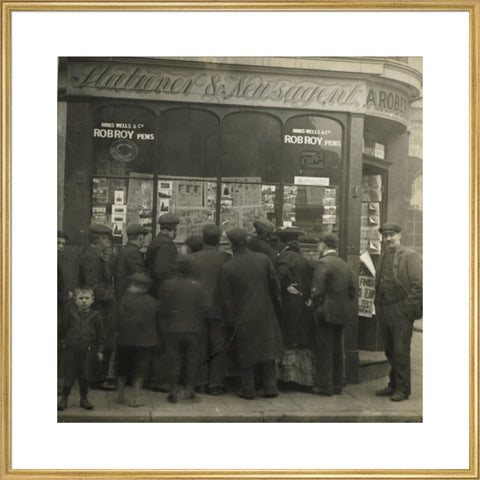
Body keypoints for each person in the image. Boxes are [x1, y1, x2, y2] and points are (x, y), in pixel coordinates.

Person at [220, 228, 283, 400]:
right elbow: (275, 286)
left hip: (243, 315)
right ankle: (270, 387)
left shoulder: (228, 267)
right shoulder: (263, 259)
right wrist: (276, 307)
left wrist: (230, 321)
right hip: (265, 311)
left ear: (232, 245)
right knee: (268, 350)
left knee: (246, 351)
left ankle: (248, 389)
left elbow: (227, 300)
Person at [374, 222, 422, 402]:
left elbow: (419, 285)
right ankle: (393, 385)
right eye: (385, 236)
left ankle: (403, 389)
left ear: (399, 236)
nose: (388, 239)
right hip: (384, 310)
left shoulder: (410, 255)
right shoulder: (382, 256)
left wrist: (406, 309)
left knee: (401, 352)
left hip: (400, 311)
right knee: (390, 350)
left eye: (391, 235)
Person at [311, 232, 356, 396]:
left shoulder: (323, 263)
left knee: (324, 349)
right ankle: (338, 384)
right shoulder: (344, 264)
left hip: (325, 313)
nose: (318, 246)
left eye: (319, 244)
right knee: (338, 348)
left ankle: (325, 386)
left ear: (324, 245)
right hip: (342, 313)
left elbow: (317, 290)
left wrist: (317, 307)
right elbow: (353, 290)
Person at [188, 224, 232, 395]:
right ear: (219, 239)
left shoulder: (192, 259)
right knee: (218, 346)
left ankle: (200, 382)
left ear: (203, 237)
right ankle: (216, 384)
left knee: (199, 346)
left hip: (197, 309)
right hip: (218, 308)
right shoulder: (226, 258)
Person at [158, 257, 206, 403]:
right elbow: (202, 307)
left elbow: (162, 307)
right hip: (193, 329)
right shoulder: (197, 285)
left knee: (173, 360)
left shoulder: (167, 284)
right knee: (191, 360)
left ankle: (173, 391)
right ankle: (189, 389)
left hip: (172, 329)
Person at [273, 226, 314, 387]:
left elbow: (282, 275)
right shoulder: (300, 257)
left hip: (290, 304)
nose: (275, 244)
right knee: (298, 338)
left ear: (282, 241)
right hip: (301, 302)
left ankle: (288, 378)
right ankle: (300, 377)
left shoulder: (287, 256)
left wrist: (286, 287)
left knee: (288, 337)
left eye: (276, 241)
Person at [78, 224, 116, 390]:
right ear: (100, 239)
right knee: (99, 341)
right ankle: (96, 379)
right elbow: (92, 283)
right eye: (107, 238)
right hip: (100, 306)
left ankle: (97, 377)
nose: (109, 242)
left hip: (102, 306)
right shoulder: (91, 257)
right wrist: (110, 297)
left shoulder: (96, 255)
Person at [145, 213, 180, 391]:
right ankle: (159, 380)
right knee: (164, 339)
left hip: (156, 295)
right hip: (163, 297)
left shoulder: (157, 242)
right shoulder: (166, 245)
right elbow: (162, 272)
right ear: (173, 229)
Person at [116, 272, 161, 407]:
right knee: (140, 371)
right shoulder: (154, 303)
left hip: (124, 341)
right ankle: (135, 398)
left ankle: (120, 395)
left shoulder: (124, 299)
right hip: (145, 343)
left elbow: (118, 318)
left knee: (122, 368)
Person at [58, 287, 105, 411]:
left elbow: (101, 335)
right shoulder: (70, 314)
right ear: (75, 300)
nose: (84, 301)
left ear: (92, 300)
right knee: (69, 375)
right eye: (81, 298)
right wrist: (62, 343)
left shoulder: (96, 316)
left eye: (87, 298)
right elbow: (61, 330)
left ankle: (84, 398)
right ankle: (64, 398)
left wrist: (100, 350)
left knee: (85, 374)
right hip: (71, 350)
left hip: (88, 351)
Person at [113, 224, 149, 299]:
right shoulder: (134, 253)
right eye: (144, 238)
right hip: (129, 295)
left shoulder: (123, 250)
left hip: (120, 292)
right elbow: (138, 275)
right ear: (140, 238)